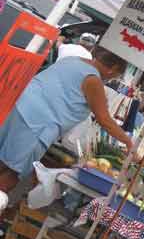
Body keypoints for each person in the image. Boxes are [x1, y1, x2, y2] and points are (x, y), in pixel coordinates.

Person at [0, 46, 133, 194]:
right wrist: (128, 142)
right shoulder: (93, 80)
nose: (112, 79)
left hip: (19, 107)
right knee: (11, 173)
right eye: (117, 75)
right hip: (38, 125)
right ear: (112, 68)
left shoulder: (72, 60)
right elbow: (104, 120)